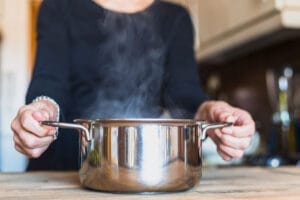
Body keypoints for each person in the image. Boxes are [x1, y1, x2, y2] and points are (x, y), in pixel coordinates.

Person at [11, 0, 255, 170]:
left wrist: (211, 113)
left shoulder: (175, 18)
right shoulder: (58, 6)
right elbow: (49, 82)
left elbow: (184, 95)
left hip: (140, 170)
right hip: (58, 172)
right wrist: (41, 110)